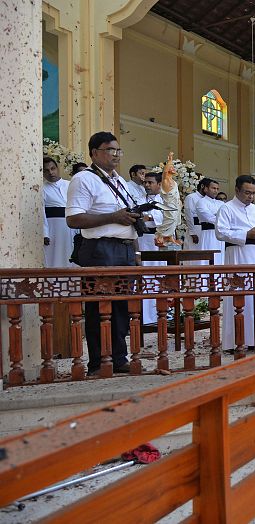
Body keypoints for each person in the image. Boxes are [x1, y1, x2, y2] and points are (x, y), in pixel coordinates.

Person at [66, 131, 140, 375]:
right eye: (110, 150)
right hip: (100, 249)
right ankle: (98, 362)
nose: (116, 155)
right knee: (99, 307)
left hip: (124, 249)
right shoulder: (83, 179)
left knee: (120, 307)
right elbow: (74, 218)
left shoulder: (119, 181)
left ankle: (119, 358)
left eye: (118, 150)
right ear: (95, 152)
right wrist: (113, 217)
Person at [215, 175, 255, 354]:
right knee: (239, 296)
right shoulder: (226, 208)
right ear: (237, 190)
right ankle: (235, 340)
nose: (251, 197)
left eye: (254, 193)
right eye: (247, 193)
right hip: (238, 255)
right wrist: (246, 235)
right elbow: (221, 232)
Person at [140, 172, 165, 325]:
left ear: (159, 184)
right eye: (145, 183)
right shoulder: (139, 199)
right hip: (142, 239)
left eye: (150, 182)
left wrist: (150, 218)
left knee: (158, 276)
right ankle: (144, 314)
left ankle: (160, 312)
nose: (147, 185)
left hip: (157, 240)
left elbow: (168, 218)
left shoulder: (164, 200)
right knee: (144, 276)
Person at [42, 156, 77, 267]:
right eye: (46, 170)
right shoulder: (42, 188)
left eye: (53, 168)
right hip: (54, 229)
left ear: (57, 168)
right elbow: (41, 213)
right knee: (55, 258)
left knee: (73, 255)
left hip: (72, 227)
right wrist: (45, 233)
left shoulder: (70, 184)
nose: (51, 172)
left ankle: (73, 284)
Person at [194, 179, 225, 265]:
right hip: (208, 233)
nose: (216, 191)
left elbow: (227, 218)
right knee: (207, 258)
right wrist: (219, 217)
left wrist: (217, 217)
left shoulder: (221, 204)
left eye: (217, 189)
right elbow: (208, 217)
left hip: (220, 234)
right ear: (206, 189)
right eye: (213, 188)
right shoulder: (201, 202)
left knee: (219, 258)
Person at [183, 178, 210, 252]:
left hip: (205, 230)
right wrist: (192, 232)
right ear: (202, 186)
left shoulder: (208, 199)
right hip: (195, 228)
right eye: (209, 188)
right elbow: (189, 215)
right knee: (193, 251)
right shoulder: (191, 197)